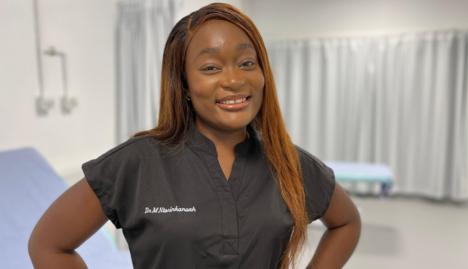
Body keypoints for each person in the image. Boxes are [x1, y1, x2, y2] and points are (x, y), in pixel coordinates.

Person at [28, 3, 361, 269]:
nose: (234, 80)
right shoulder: (135, 163)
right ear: (184, 84)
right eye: (211, 68)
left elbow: (346, 223)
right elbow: (48, 245)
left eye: (247, 62)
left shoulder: (288, 162)